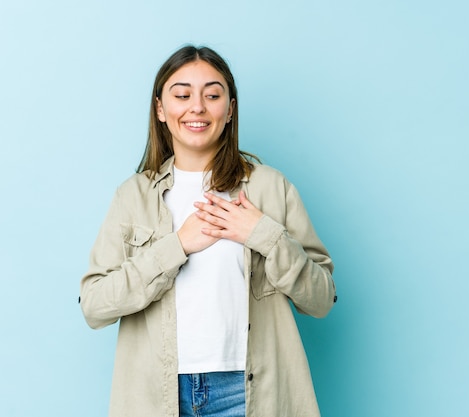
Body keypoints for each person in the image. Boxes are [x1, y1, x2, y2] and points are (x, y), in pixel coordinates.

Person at [80, 45, 336, 417]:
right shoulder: (132, 196)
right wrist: (177, 246)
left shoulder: (271, 188)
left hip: (248, 392)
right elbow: (95, 306)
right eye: (182, 95)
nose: (197, 107)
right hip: (157, 394)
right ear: (160, 110)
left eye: (212, 95)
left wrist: (263, 233)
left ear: (229, 109)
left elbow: (321, 299)